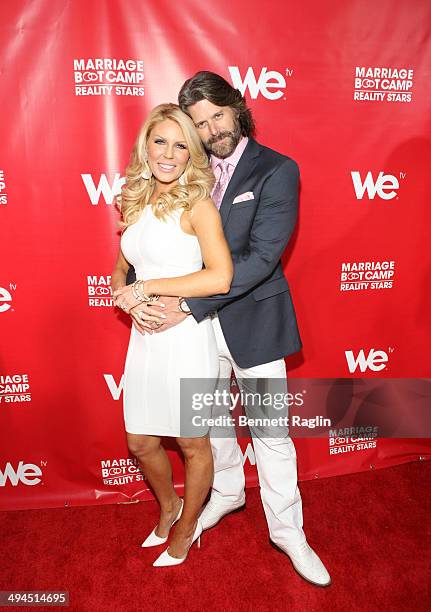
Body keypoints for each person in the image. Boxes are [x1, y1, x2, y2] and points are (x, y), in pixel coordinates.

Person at [126, 72, 331, 586]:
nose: (211, 128)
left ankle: (288, 532)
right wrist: (135, 291)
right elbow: (155, 246)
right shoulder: (184, 172)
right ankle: (227, 494)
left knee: (270, 432)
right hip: (194, 336)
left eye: (218, 114)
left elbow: (261, 258)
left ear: (237, 108)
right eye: (199, 121)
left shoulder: (277, 170)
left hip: (249, 321)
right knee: (211, 424)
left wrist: (189, 307)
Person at [111, 103, 233, 567]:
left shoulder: (198, 206)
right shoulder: (134, 200)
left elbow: (220, 277)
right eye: (160, 141)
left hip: (187, 341)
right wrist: (126, 295)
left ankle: (185, 530)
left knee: (192, 443)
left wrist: (148, 287)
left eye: (181, 144)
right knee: (140, 441)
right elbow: (121, 269)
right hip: (144, 339)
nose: (169, 153)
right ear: (146, 145)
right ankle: (169, 506)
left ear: (192, 154)